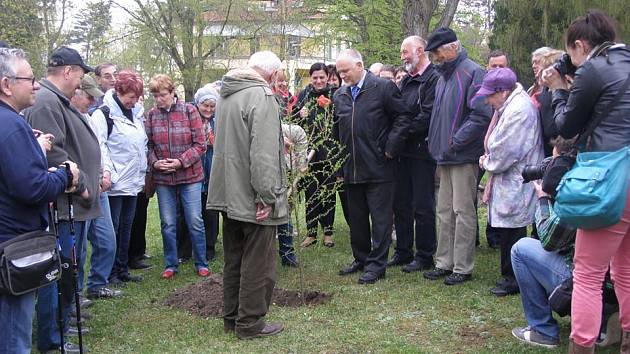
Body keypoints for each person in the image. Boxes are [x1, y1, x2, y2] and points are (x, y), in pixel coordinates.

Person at [541, 10, 630, 353]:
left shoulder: (594, 68)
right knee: (625, 267)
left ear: (580, 45)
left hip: (609, 179)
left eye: (572, 54)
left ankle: (581, 347)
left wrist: (558, 89)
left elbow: (565, 127)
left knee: (589, 274)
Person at [0, 47, 79, 354]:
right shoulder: (9, 125)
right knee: (12, 335)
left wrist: (30, 147)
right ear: (7, 85)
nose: (35, 85)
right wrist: (64, 174)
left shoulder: (12, 124)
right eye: (29, 79)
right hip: (11, 247)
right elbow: (32, 187)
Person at [25, 46, 101, 353]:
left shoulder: (57, 100)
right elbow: (53, 153)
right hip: (64, 203)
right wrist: (81, 184)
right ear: (67, 71)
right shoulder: (45, 102)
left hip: (74, 205)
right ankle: (52, 339)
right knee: (58, 271)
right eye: (80, 74)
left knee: (69, 268)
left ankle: (64, 321)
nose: (81, 81)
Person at [207, 51, 287, 339]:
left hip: (229, 193)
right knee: (258, 262)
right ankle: (250, 323)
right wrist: (266, 196)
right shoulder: (261, 96)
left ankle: (232, 318)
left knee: (234, 258)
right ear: (272, 74)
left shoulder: (227, 94)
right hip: (252, 195)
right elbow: (262, 153)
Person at [334, 48, 412, 284]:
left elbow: (403, 117)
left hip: (379, 166)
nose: (342, 76)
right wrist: (339, 164)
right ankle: (361, 258)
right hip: (351, 166)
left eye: (345, 71)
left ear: (360, 66)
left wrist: (389, 148)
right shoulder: (340, 95)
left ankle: (377, 265)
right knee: (356, 218)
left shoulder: (383, 88)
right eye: (339, 72)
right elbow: (337, 131)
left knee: (380, 219)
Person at [423, 27, 492, 285]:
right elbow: (437, 116)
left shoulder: (473, 72)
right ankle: (444, 262)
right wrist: (436, 143)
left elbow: (480, 116)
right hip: (444, 155)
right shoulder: (443, 77)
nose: (435, 57)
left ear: (453, 46)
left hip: (463, 156)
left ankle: (462, 267)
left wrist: (455, 141)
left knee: (463, 211)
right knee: (444, 210)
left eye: (438, 51)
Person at [477, 68, 544, 296]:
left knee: (513, 230)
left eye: (490, 95)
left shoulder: (519, 109)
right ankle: (509, 274)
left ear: (503, 91)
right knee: (508, 228)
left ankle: (513, 278)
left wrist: (488, 162)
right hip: (511, 178)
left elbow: (507, 149)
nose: (487, 100)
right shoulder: (510, 105)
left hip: (517, 177)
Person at [145, 74, 208, 279]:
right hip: (164, 179)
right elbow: (148, 145)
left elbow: (201, 144)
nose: (159, 99)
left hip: (190, 176)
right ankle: (171, 263)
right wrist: (155, 162)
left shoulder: (190, 111)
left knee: (194, 220)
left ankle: (201, 262)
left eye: (162, 94)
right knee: (168, 222)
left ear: (173, 92)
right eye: (155, 95)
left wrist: (181, 162)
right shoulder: (152, 115)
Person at [388, 35, 440, 274]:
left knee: (422, 205)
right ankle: (403, 250)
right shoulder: (406, 81)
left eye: (405, 51)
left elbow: (427, 116)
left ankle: (425, 254)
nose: (402, 57)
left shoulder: (433, 79)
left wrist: (401, 133)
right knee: (401, 203)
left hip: (422, 151)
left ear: (420, 50)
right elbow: (397, 111)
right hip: (403, 152)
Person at [91, 70, 148, 285]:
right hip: (114, 182)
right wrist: (109, 174)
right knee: (112, 229)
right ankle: (110, 273)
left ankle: (122, 269)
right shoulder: (103, 114)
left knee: (127, 226)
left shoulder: (136, 114)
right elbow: (100, 146)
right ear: (119, 92)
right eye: (130, 97)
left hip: (133, 181)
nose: (133, 102)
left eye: (136, 97)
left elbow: (140, 145)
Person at [70, 76, 122, 300]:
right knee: (78, 250)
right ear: (75, 92)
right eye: (89, 96)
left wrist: (106, 172)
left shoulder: (88, 117)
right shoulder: (68, 118)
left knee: (107, 240)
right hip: (80, 191)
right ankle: (75, 296)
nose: (92, 101)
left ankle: (97, 284)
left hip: (99, 187)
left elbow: (100, 148)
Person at [294, 63, 338, 248]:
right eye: (315, 78)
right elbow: (293, 122)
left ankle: (328, 232)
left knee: (328, 193)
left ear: (328, 77)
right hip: (309, 153)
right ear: (311, 78)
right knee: (311, 192)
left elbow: (340, 120)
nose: (319, 81)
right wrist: (299, 114)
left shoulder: (335, 94)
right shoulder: (304, 95)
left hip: (329, 152)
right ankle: (311, 232)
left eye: (322, 77)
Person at [176, 84, 220, 262]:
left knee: (210, 211)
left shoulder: (218, 122)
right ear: (198, 104)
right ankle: (184, 250)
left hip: (212, 168)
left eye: (212, 106)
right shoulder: (188, 119)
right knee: (189, 210)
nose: (208, 110)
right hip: (193, 168)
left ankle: (209, 248)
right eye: (205, 106)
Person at [279, 122, 307, 267]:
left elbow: (301, 139)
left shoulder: (292, 130)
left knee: (285, 213)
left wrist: (302, 163)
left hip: (287, 171)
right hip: (265, 172)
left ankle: (287, 255)